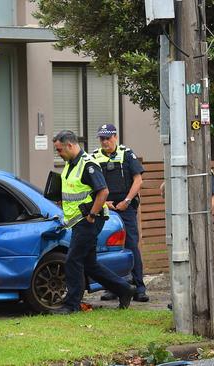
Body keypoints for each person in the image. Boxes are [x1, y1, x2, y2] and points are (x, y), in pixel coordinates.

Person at [52, 130, 136, 314]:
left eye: (59, 150)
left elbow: (103, 191)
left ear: (70, 145)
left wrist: (91, 215)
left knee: (72, 261)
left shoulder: (88, 164)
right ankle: (125, 289)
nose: (58, 153)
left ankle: (71, 305)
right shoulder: (70, 164)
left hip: (88, 221)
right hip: (78, 221)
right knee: (90, 264)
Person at [92, 124, 149, 303]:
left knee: (132, 245)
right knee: (109, 248)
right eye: (102, 138)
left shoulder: (126, 153)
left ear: (115, 137)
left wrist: (127, 201)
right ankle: (113, 288)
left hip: (126, 208)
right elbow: (90, 183)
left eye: (108, 138)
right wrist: (103, 203)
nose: (105, 141)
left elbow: (138, 180)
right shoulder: (94, 156)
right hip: (106, 208)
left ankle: (139, 287)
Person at [160, 172, 214, 310]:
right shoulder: (176, 172)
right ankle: (180, 301)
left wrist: (199, 217)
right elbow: (163, 193)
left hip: (197, 226)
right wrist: (166, 183)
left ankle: (198, 302)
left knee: (197, 262)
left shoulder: (203, 171)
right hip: (180, 223)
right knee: (181, 261)